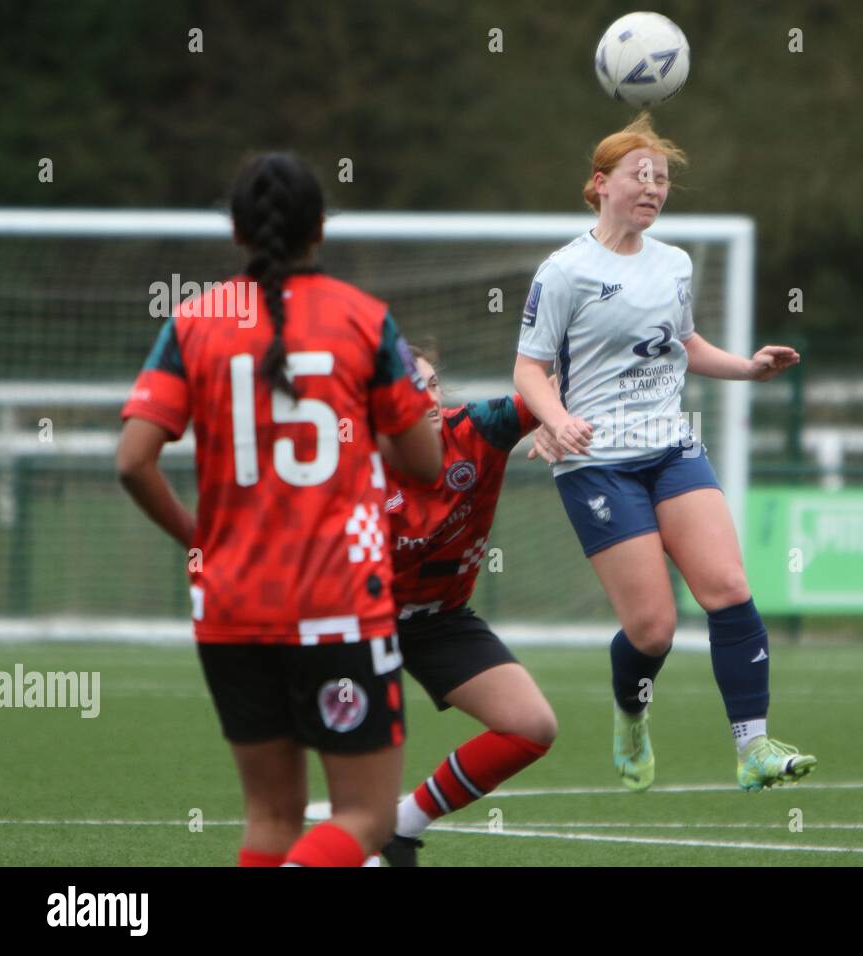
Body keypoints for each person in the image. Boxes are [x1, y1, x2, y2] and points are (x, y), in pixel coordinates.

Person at [117, 153, 441, 866]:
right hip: (337, 602)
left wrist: (197, 541)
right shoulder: (362, 319)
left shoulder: (196, 320)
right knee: (365, 815)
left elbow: (133, 460)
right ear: (320, 229)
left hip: (230, 604)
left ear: (238, 234)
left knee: (269, 819)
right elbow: (424, 464)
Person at [513, 113, 816, 791]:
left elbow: (683, 343)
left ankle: (754, 748)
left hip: (671, 447)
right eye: (640, 175)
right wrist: (557, 421)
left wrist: (747, 367)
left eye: (663, 179)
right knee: (652, 629)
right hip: (596, 462)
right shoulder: (564, 272)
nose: (654, 188)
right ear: (600, 184)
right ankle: (631, 712)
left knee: (729, 589)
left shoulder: (673, 263)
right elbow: (529, 370)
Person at [378, 343, 558, 866]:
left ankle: (402, 827)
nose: (429, 398)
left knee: (532, 727)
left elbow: (554, 384)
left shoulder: (478, 430)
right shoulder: (351, 467)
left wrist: (555, 416)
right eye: (412, 388)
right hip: (359, 624)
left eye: (433, 384)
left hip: (439, 620)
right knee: (360, 765)